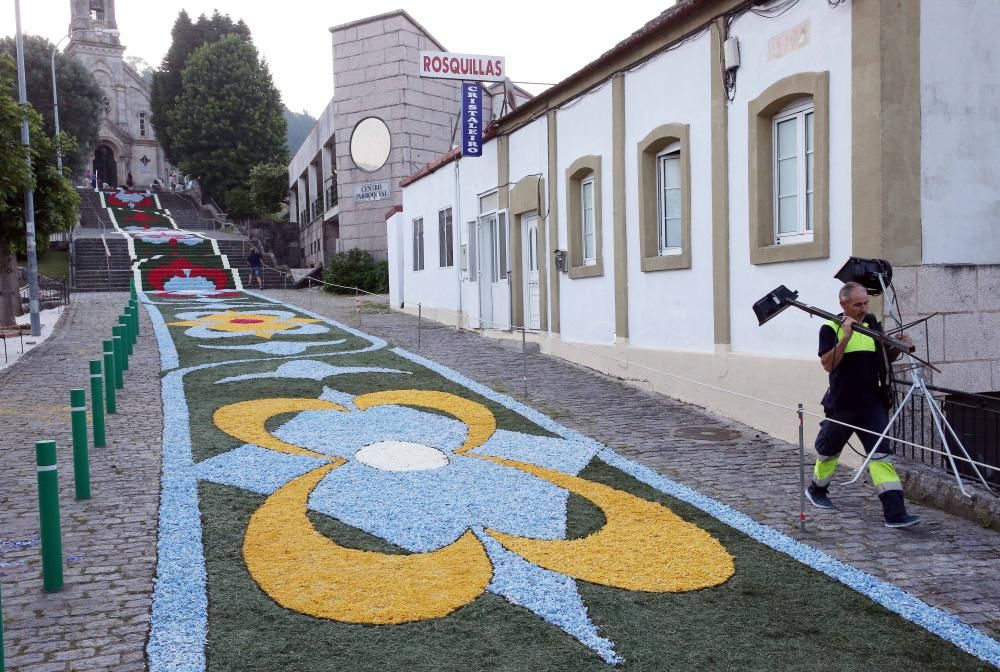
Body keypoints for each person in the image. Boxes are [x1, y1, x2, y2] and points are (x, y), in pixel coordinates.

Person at [805, 281, 922, 528]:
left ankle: (895, 513)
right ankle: (817, 489)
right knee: (828, 451)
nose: (863, 308)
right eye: (857, 304)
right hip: (842, 403)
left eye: (866, 302)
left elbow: (883, 359)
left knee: (881, 455)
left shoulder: (871, 324)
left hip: (872, 404)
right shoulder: (830, 327)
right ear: (843, 305)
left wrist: (898, 347)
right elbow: (828, 364)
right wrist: (846, 336)